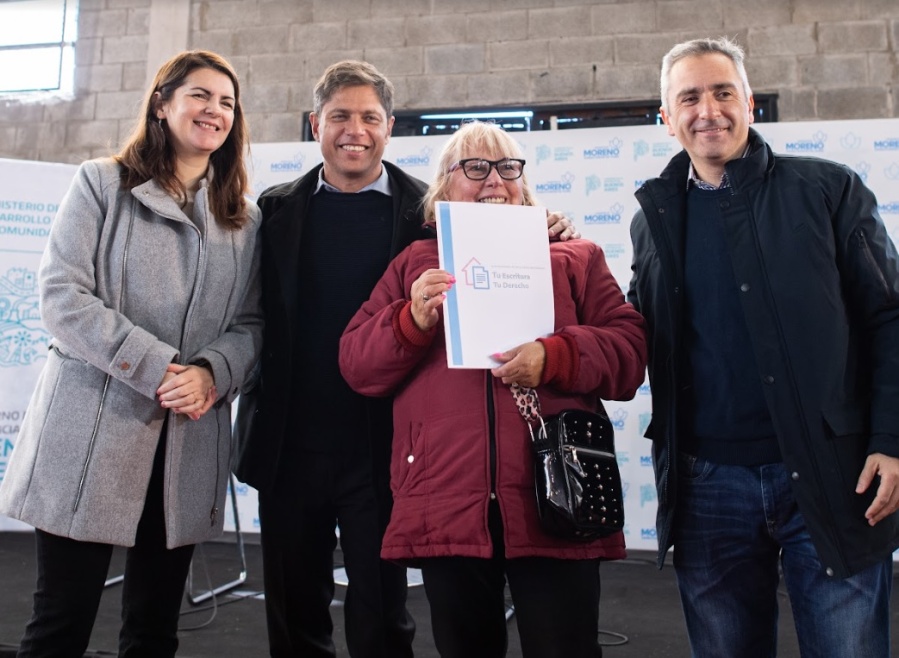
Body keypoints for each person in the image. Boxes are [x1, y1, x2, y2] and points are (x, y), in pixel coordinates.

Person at [233, 61, 579, 658]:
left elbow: (503, 227)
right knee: (293, 616)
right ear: (316, 124)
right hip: (290, 443)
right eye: (340, 116)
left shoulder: (431, 209)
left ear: (389, 127)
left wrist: (543, 227)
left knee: (382, 619)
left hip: (387, 445)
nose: (355, 131)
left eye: (370, 118)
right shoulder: (276, 209)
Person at [626, 36, 899, 657]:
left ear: (748, 103)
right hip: (706, 488)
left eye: (723, 92)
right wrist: (557, 259)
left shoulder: (827, 190)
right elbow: (632, 328)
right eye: (689, 98)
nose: (708, 111)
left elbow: (889, 317)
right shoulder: (652, 219)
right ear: (666, 118)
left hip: (833, 476)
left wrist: (891, 439)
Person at [338, 120, 647, 658]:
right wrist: (411, 320)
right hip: (445, 496)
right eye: (476, 168)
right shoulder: (414, 265)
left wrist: (556, 356)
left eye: (508, 167)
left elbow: (629, 352)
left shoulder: (574, 254)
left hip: (556, 491)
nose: (495, 181)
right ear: (444, 186)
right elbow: (357, 365)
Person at [0, 50, 262, 657]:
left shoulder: (244, 219)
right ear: (162, 104)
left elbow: (252, 324)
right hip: (90, 434)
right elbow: (62, 297)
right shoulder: (101, 183)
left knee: (153, 632)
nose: (215, 111)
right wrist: (157, 367)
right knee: (59, 625)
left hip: (186, 442)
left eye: (227, 102)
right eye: (200, 95)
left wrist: (211, 373)